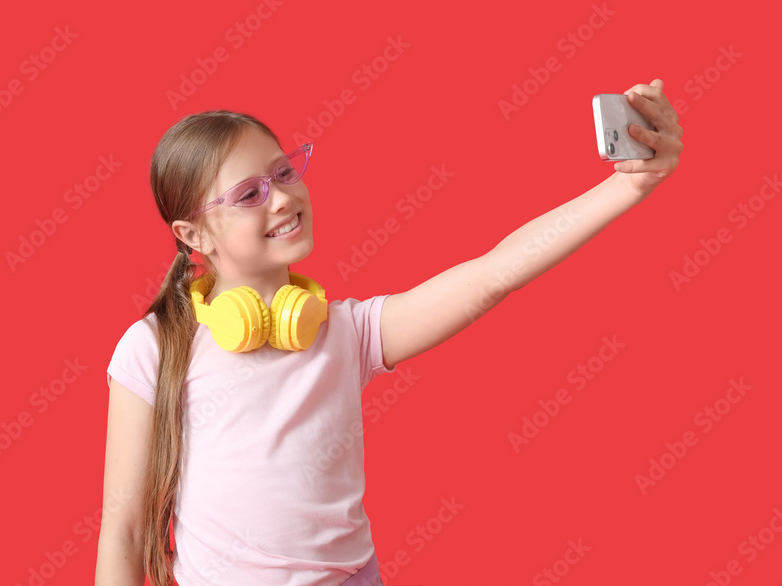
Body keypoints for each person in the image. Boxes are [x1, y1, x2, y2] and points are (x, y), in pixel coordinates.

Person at [94, 79, 684, 586]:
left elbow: (492, 275)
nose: (282, 197)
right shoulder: (152, 348)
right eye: (249, 194)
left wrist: (626, 187)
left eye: (282, 172)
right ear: (194, 236)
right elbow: (122, 528)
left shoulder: (347, 332)